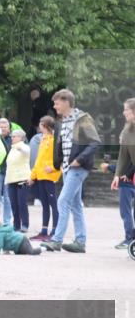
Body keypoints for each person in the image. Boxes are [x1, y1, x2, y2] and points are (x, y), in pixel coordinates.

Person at [43, 89, 101, 253]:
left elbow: (95, 142)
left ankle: (57, 240)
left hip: (78, 167)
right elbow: (60, 144)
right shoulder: (61, 121)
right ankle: (80, 242)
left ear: (67, 102)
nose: (55, 106)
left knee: (62, 201)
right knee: (75, 205)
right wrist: (59, 162)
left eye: (57, 103)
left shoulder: (82, 119)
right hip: (68, 168)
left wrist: (79, 160)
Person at [99, 97, 135, 250]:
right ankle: (131, 239)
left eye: (126, 109)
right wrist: (116, 175)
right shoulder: (127, 131)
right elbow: (123, 155)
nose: (124, 112)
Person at [27, 116, 61, 242]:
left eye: (41, 124)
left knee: (54, 205)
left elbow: (60, 159)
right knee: (45, 205)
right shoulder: (43, 139)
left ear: (45, 126)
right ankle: (44, 231)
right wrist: (32, 176)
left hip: (50, 177)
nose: (39, 126)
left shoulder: (54, 140)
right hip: (40, 176)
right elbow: (38, 160)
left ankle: (55, 231)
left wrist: (52, 168)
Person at [4, 129, 31, 232]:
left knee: (21, 202)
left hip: (22, 179)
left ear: (20, 137)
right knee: (14, 204)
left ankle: (25, 225)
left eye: (14, 136)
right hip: (11, 180)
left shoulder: (23, 146)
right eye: (12, 136)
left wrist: (20, 147)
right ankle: (16, 225)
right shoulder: (12, 148)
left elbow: (26, 151)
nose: (12, 138)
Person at [0, 118, 13, 225]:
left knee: (8, 198)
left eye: (5, 127)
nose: (3, 129)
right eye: (1, 127)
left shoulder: (13, 140)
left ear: (9, 129)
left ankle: (7, 222)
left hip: (9, 171)